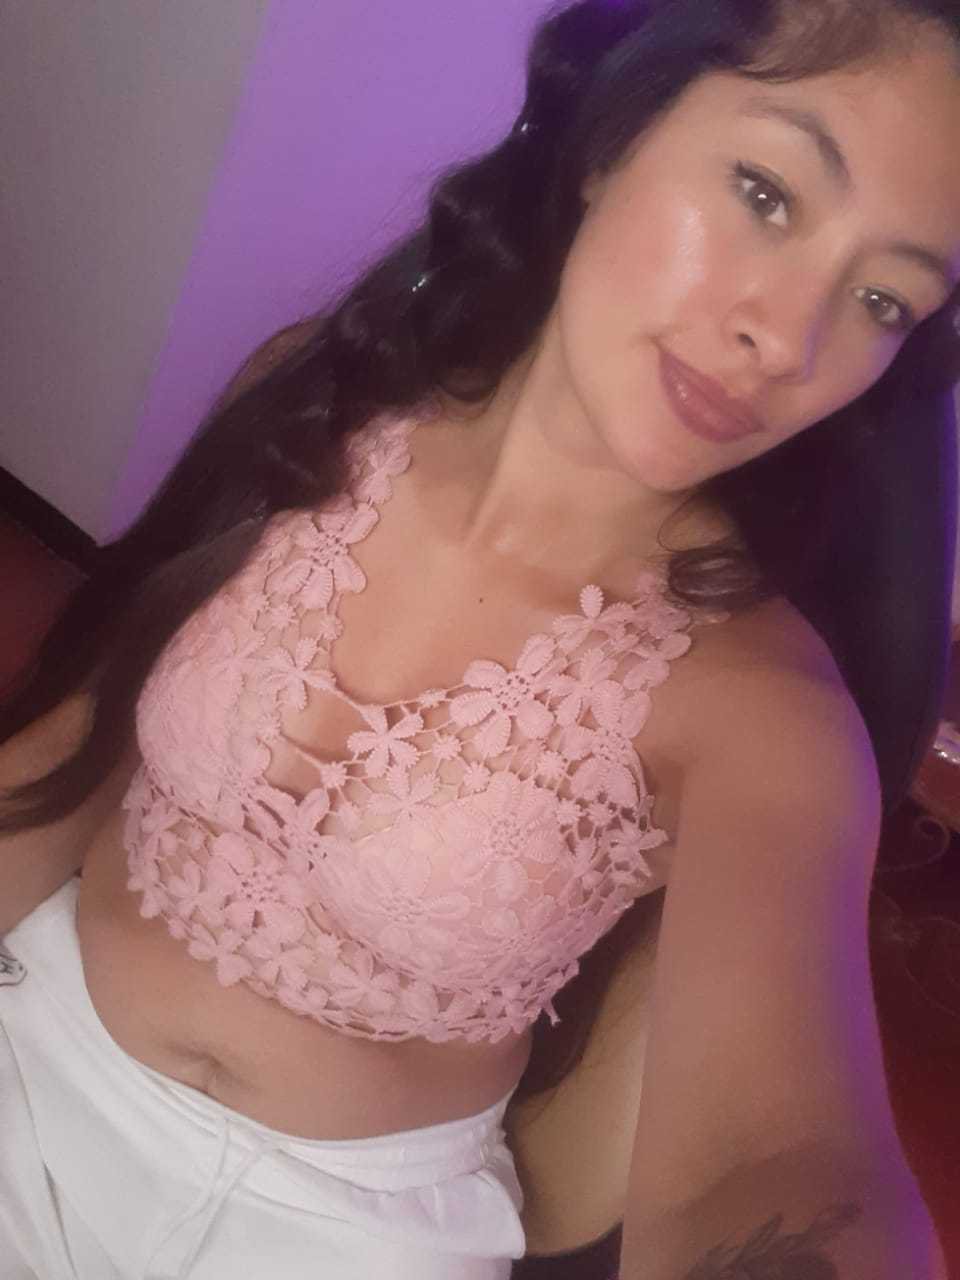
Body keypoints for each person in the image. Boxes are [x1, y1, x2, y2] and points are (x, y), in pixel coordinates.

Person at [1, 0, 958, 1275]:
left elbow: (778, 1156)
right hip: (35, 1044)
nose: (785, 339)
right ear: (615, 133)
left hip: (341, 1237)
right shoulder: (318, 402)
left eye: (884, 299)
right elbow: (80, 743)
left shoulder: (765, 710)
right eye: (765, 193)